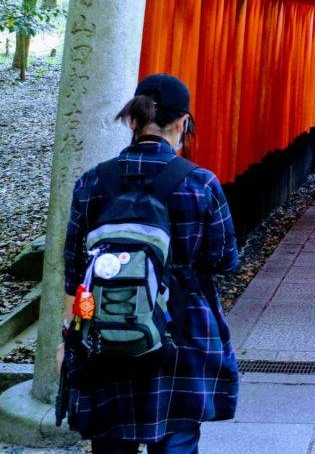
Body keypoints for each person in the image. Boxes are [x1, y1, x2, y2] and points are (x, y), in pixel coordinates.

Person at [59, 73, 239, 454]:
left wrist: (68, 335)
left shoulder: (93, 182)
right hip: (183, 329)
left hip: (104, 329)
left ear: (133, 120)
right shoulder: (201, 184)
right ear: (183, 122)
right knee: (176, 437)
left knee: (110, 439)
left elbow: (75, 268)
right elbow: (225, 260)